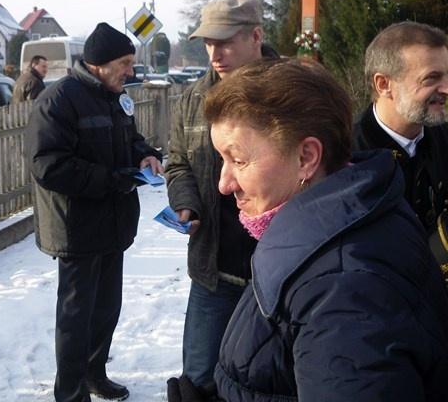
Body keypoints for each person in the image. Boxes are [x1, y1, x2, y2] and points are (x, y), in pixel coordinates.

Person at [169, 58, 448, 401]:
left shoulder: (344, 289)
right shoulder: (341, 223)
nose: (224, 184)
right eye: (222, 160)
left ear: (306, 157)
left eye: (238, 160)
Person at [27, 22, 163, 402]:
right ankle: (70, 393)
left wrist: (145, 154)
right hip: (77, 228)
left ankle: (94, 374)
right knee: (76, 318)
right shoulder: (59, 100)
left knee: (106, 308)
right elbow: (48, 165)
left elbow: (129, 139)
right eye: (124, 63)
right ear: (99, 63)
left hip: (113, 223)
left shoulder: (114, 96)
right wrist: (112, 178)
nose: (131, 71)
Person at [164, 0, 278, 389]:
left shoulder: (291, 93)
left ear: (256, 36)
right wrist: (185, 203)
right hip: (214, 268)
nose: (215, 52)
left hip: (279, 272)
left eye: (225, 41)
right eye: (208, 43)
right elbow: (177, 160)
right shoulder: (193, 98)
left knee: (269, 382)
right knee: (198, 379)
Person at [353, 22, 448, 246]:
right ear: (384, 84)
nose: (446, 89)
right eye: (431, 78)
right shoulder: (344, 157)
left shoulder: (443, 136)